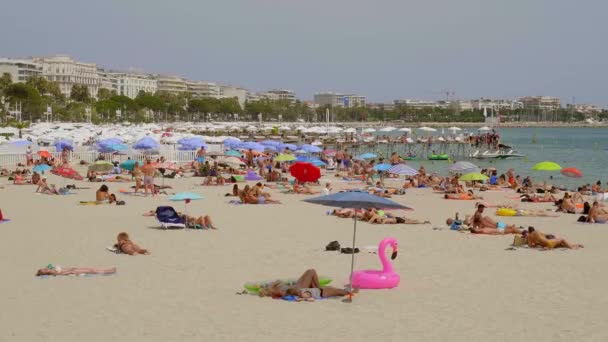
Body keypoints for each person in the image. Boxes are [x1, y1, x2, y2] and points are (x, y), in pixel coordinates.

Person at [258, 269, 351, 301]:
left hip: (296, 286)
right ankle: (318, 288)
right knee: (312, 271)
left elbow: (279, 282)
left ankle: (317, 287)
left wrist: (277, 283)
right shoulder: (274, 290)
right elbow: (284, 292)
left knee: (310, 271)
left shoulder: (274, 289)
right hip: (298, 288)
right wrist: (273, 285)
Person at [36, 266, 117, 276]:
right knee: (91, 270)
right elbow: (62, 273)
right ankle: (108, 271)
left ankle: (107, 270)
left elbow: (49, 265)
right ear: (45, 272)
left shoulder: (50, 269)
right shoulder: (51, 272)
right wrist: (71, 270)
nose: (44, 268)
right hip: (73, 271)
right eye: (43, 270)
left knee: (91, 269)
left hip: (72, 269)